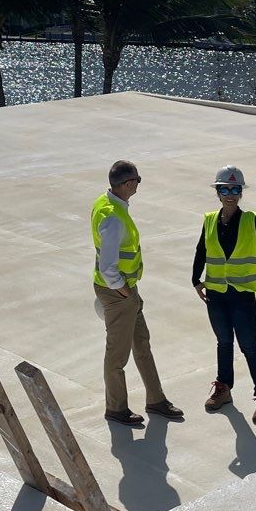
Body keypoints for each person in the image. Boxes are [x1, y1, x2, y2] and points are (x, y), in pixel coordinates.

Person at [91, 160, 184, 427]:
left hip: (125, 290)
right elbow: (108, 268)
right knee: (117, 354)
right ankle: (116, 408)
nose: (138, 184)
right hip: (118, 292)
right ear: (127, 184)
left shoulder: (107, 203)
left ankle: (156, 399)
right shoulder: (112, 217)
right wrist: (125, 292)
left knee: (142, 343)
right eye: (137, 180)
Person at [193, 166, 256, 425]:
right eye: (225, 190)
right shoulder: (209, 219)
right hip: (216, 293)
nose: (230, 195)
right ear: (218, 192)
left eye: (235, 190)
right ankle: (224, 387)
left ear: (241, 193)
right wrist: (196, 280)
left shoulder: (251, 220)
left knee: (249, 346)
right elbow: (202, 250)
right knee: (223, 343)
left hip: (241, 295)